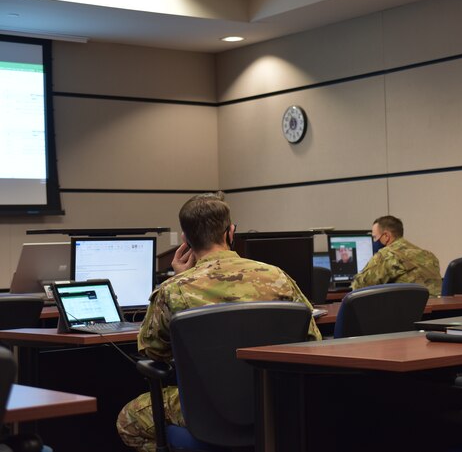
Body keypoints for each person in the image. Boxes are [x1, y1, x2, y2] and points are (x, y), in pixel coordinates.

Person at [116, 192, 321, 452]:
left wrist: (183, 277)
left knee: (128, 421)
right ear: (230, 232)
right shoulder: (277, 277)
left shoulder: (173, 290)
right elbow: (313, 341)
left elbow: (153, 352)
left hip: (207, 408)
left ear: (185, 240)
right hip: (273, 401)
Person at [351, 215, 442, 296]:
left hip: (408, 312)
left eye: (375, 237)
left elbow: (359, 287)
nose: (373, 241)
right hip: (436, 311)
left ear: (386, 236)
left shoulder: (387, 254)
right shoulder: (429, 255)